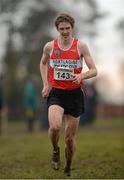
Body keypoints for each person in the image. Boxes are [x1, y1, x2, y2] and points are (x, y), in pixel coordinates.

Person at [40, 13, 97, 176]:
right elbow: (43, 64)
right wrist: (45, 84)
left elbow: (94, 70)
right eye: (61, 29)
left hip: (74, 95)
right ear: (57, 29)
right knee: (55, 126)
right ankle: (55, 150)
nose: (65, 31)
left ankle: (68, 166)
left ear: (72, 28)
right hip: (56, 93)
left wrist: (82, 76)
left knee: (70, 139)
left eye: (67, 28)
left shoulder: (81, 46)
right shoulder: (50, 47)